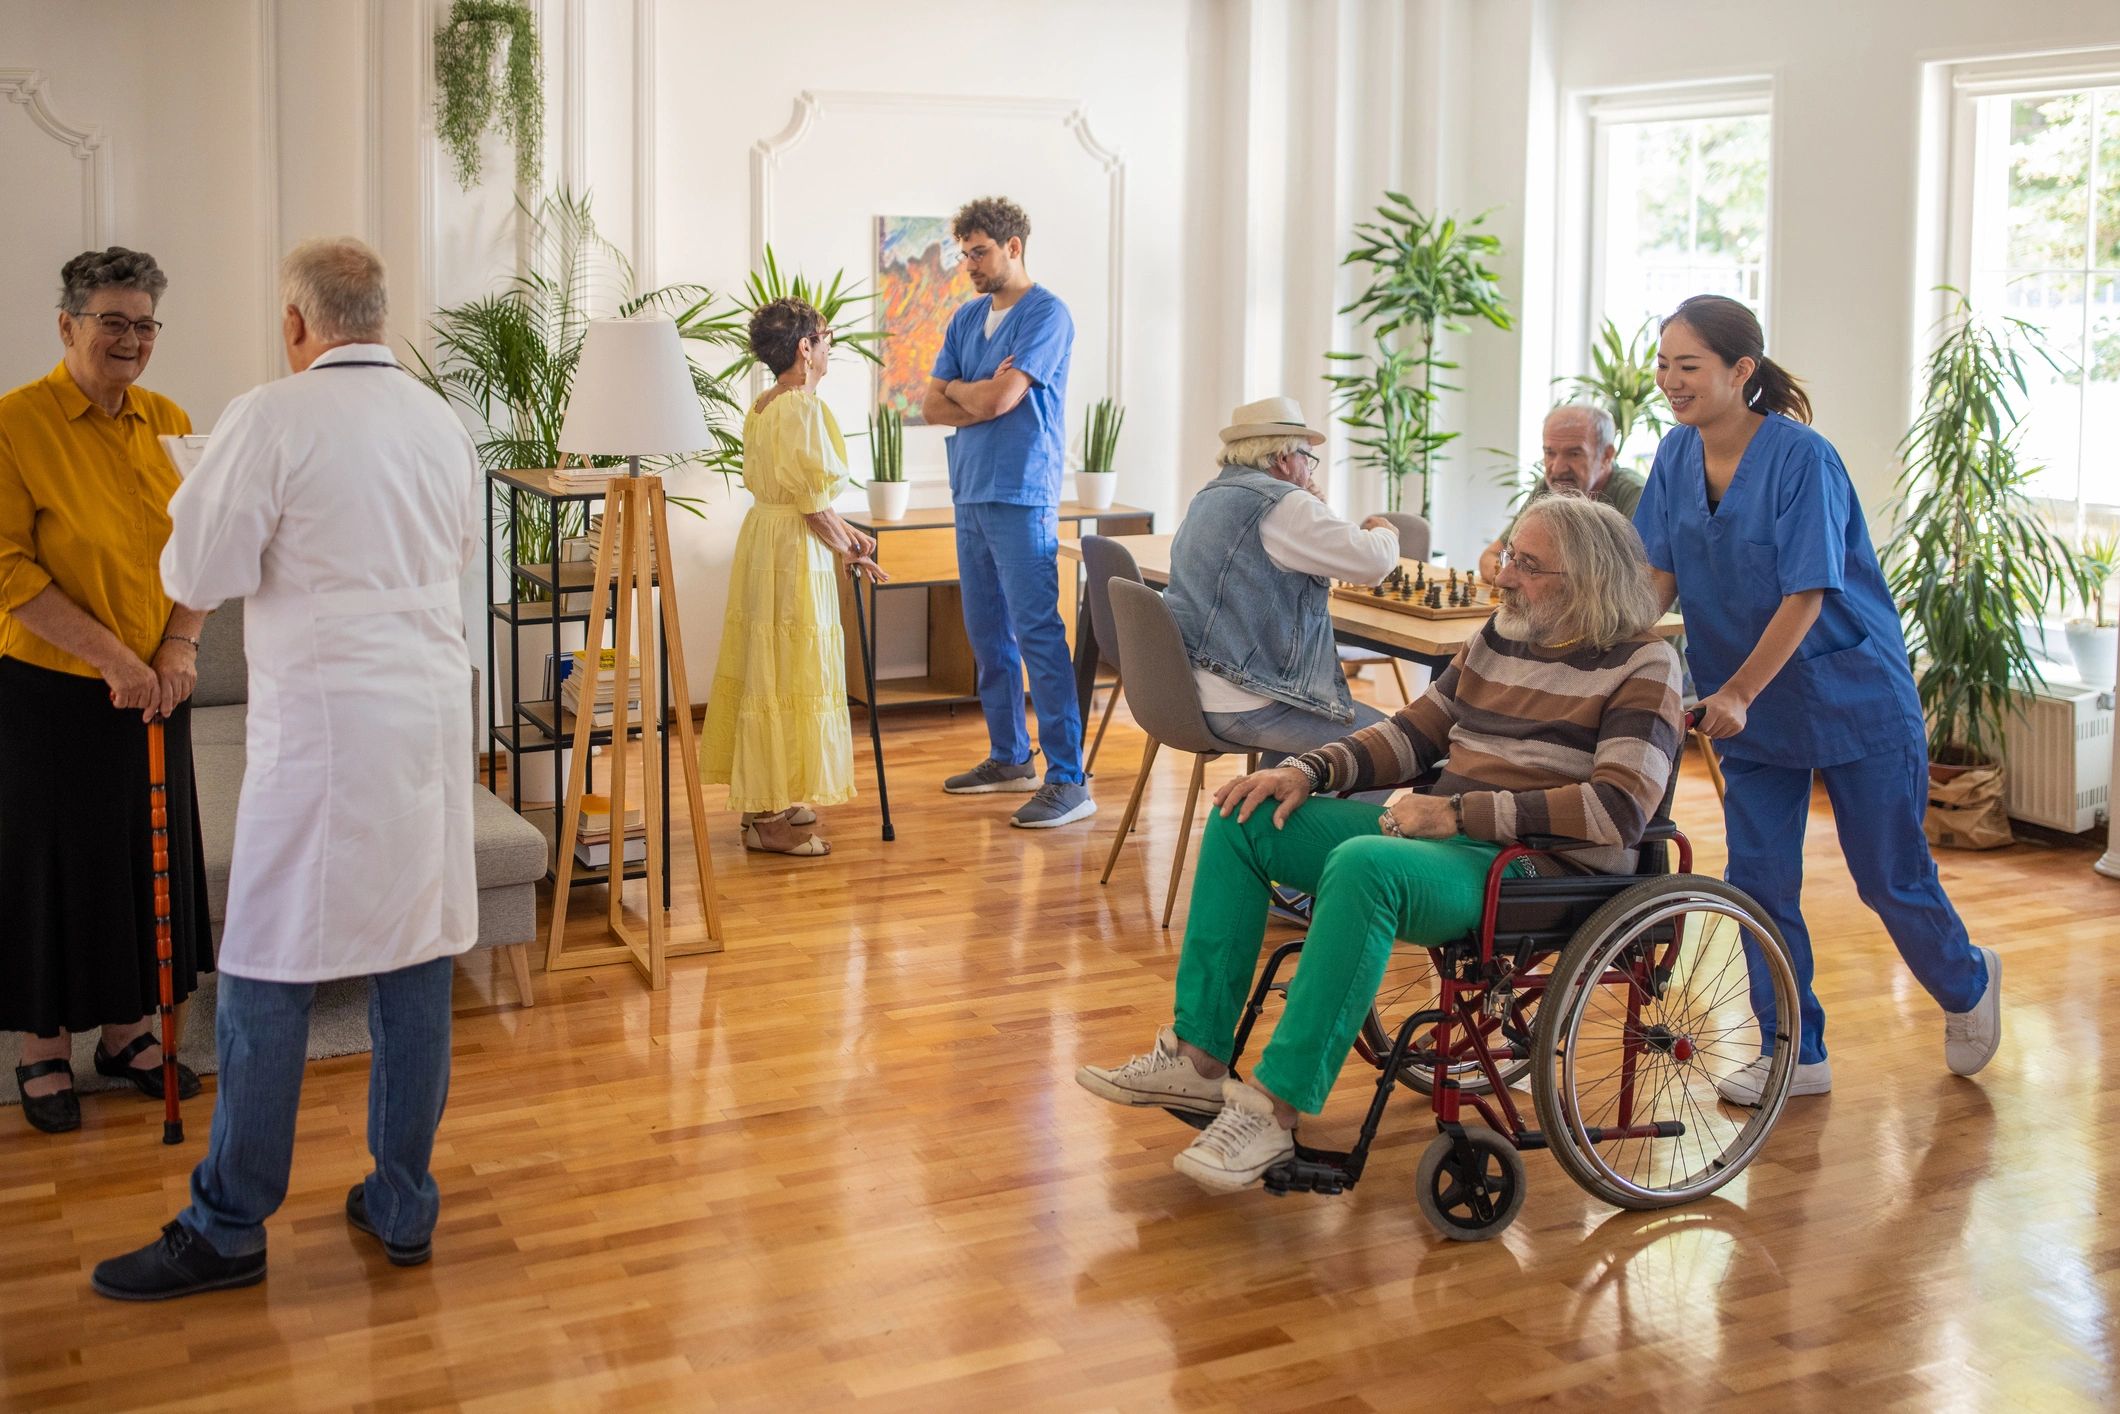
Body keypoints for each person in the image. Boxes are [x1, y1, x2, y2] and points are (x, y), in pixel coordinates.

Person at [1079, 496, 1682, 1192]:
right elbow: (1412, 733)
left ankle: (1273, 1113)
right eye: (1510, 554)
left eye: (1527, 564)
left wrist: (1458, 814)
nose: (1504, 575)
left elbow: (1618, 809)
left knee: (1365, 865)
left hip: (1534, 871)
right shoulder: (1500, 636)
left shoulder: (1646, 665)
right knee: (1244, 817)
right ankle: (1200, 1060)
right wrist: (1306, 770)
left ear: (1587, 581)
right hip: (1447, 837)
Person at [92, 238, 481, 1300]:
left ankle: (228, 1222)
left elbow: (200, 569)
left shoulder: (271, 414)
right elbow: (446, 558)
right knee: (413, 957)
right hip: (429, 718)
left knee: (267, 964)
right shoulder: (440, 422)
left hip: (325, 724)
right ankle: (403, 1198)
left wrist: (201, 500)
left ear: (297, 323)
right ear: (380, 316)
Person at [1634, 293, 2001, 1106]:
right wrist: (1604, 641)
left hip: (1851, 696)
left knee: (1888, 877)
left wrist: (1733, 690)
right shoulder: (1672, 456)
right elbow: (1655, 574)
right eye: (1663, 364)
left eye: (1687, 365)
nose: (1669, 381)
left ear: (1741, 370)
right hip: (1754, 713)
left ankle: (1968, 981)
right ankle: (1794, 1050)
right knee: (1760, 884)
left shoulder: (1804, 459)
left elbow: (1806, 592)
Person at [0, 246, 210, 1134]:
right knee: (51, 871)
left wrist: (179, 647)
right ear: (67, 326)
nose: (130, 339)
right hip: (51, 691)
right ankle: (41, 1047)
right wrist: (113, 662)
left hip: (160, 683)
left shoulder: (169, 419)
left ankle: (126, 1034)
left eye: (145, 323)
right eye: (112, 322)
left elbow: (206, 544)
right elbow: (7, 569)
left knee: (141, 858)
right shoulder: (15, 423)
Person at [920, 195, 1092, 829]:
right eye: (964, 253)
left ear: (1013, 247)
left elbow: (999, 402)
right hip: (970, 489)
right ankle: (1009, 757)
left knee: (1037, 635)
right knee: (987, 635)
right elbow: (932, 404)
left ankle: (1069, 779)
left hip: (1022, 490)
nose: (969, 263)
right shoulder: (966, 318)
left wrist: (970, 393)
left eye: (980, 252)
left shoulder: (1048, 314)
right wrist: (977, 390)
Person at [700, 297, 887, 856]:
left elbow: (800, 495)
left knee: (772, 668)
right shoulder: (800, 409)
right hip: (790, 551)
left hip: (768, 539)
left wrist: (847, 534)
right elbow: (809, 501)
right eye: (825, 338)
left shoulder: (766, 402)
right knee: (784, 671)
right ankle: (769, 822)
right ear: (805, 349)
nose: (830, 348)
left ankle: (768, 799)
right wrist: (849, 548)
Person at [1164, 395, 1400, 760]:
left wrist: (1313, 502)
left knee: (1330, 742)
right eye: (1308, 457)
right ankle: (1319, 817)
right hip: (1250, 699)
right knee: (1389, 751)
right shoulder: (1284, 505)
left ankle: (1273, 807)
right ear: (1283, 459)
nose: (1310, 468)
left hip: (1193, 690)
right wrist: (1387, 532)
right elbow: (1373, 563)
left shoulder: (1210, 495)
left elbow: (1318, 543)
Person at [1477, 404, 1645, 581]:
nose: (1557, 468)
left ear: (1606, 455)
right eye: (1550, 453)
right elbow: (1491, 556)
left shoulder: (1636, 494)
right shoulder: (1551, 487)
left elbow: (1641, 581)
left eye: (1573, 454)